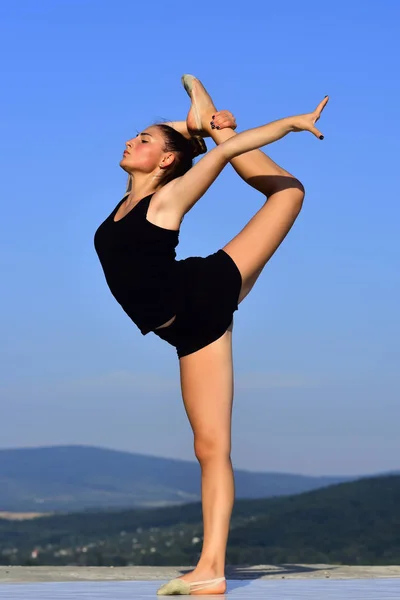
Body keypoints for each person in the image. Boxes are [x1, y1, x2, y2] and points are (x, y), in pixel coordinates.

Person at [94, 75, 328, 596]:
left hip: (202, 294)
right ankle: (211, 571)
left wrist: (284, 124)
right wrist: (195, 122)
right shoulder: (128, 200)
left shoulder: (168, 199)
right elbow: (175, 143)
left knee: (288, 194)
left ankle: (210, 566)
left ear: (166, 162)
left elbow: (220, 158)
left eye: (146, 140)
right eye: (138, 134)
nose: (133, 140)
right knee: (208, 447)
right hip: (186, 328)